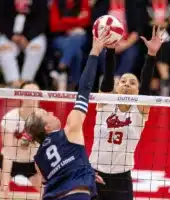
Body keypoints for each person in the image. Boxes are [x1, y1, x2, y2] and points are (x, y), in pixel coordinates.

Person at [23, 28, 111, 200]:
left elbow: (61, 173)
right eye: (45, 113)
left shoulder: (38, 159)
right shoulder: (71, 129)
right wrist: (94, 52)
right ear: (47, 127)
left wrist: (86, 172)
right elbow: (84, 89)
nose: (50, 111)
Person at [89, 25, 163, 200]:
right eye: (123, 81)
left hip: (122, 177)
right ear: (116, 87)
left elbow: (146, 83)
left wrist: (151, 55)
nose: (127, 85)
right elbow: (107, 78)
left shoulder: (140, 110)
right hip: (94, 171)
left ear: (138, 91)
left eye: (132, 83)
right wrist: (111, 50)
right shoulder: (105, 103)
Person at [0, 81, 42, 199]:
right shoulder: (10, 117)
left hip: (33, 164)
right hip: (11, 162)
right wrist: (5, 183)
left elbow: (44, 148)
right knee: (3, 189)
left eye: (37, 93)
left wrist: (24, 142)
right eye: (30, 93)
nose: (33, 97)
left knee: (48, 191)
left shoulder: (43, 119)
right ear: (21, 96)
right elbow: (8, 149)